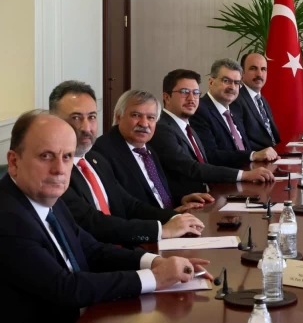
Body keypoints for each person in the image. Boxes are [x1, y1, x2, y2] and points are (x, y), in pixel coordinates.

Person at [0, 110, 212, 322]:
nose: (59, 169)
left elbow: (93, 250)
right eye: (46, 156)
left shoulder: (48, 198)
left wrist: (155, 262)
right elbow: (65, 288)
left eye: (66, 157)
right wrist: (156, 277)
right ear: (14, 162)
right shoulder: (8, 218)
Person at [50, 81, 205, 245]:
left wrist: (177, 218)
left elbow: (130, 204)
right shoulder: (57, 170)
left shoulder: (95, 160)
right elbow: (92, 222)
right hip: (109, 251)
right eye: (76, 117)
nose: (86, 127)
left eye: (92, 117)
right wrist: (161, 230)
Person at [149, 69, 275, 202]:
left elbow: (205, 162)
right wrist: (244, 175)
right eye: (184, 92)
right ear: (167, 97)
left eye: (195, 93)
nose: (191, 98)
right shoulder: (162, 129)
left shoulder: (187, 127)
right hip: (190, 205)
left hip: (212, 197)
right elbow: (192, 168)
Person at [94, 90, 213, 211]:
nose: (144, 124)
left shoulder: (147, 149)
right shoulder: (102, 152)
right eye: (136, 115)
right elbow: (124, 206)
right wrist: (169, 216)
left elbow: (155, 191)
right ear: (119, 117)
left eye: (151, 117)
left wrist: (181, 199)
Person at [190, 58, 279, 168]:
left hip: (251, 171)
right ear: (211, 82)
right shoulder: (199, 110)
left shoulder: (233, 111)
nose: (232, 87)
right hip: (227, 177)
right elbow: (210, 155)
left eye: (237, 83)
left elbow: (244, 148)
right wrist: (252, 155)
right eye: (226, 81)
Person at [231, 53, 281, 151]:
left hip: (275, 153)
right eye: (253, 68)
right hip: (257, 157)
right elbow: (242, 141)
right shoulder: (236, 99)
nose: (259, 74)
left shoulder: (262, 100)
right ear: (242, 73)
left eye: (263, 69)